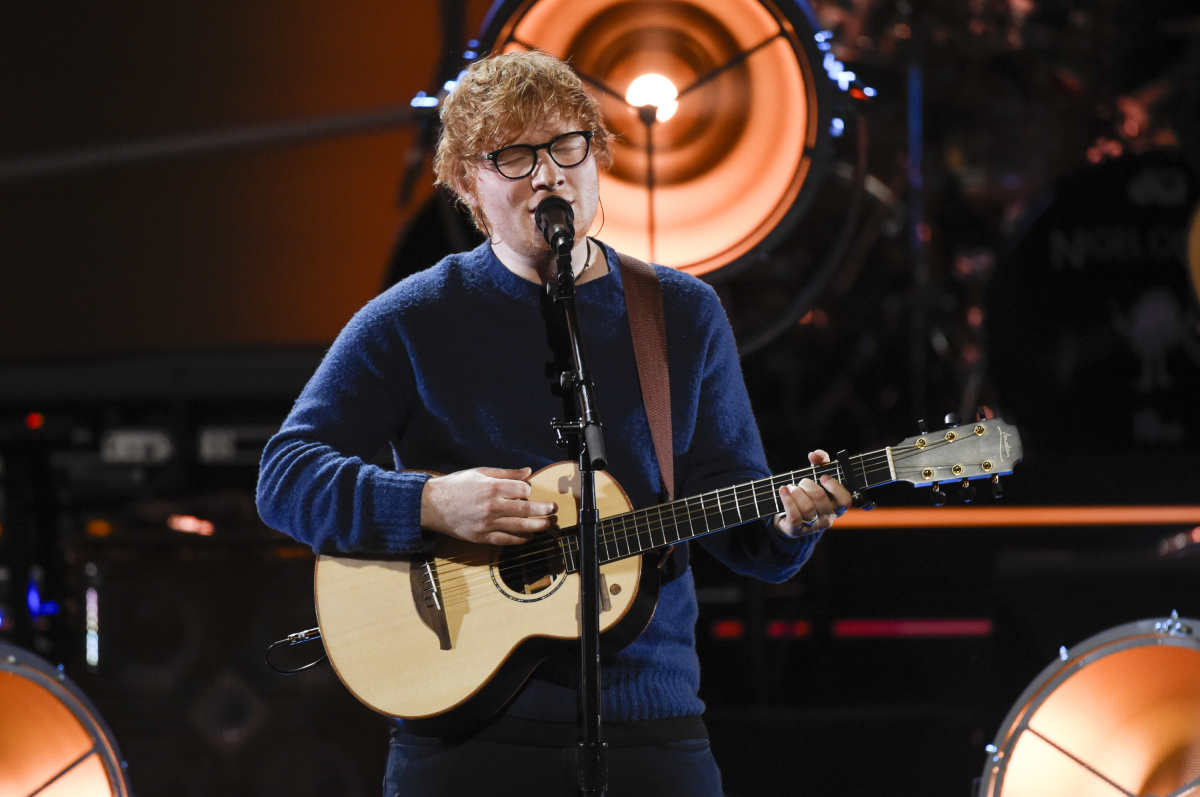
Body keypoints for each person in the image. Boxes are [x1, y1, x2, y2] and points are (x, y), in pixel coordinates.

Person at [256, 49, 852, 797]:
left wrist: (790, 525)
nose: (548, 175)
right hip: (463, 731)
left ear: (597, 156)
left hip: (651, 723)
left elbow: (737, 518)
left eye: (567, 145)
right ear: (467, 184)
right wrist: (429, 503)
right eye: (514, 155)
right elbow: (285, 478)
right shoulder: (413, 318)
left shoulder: (680, 313)